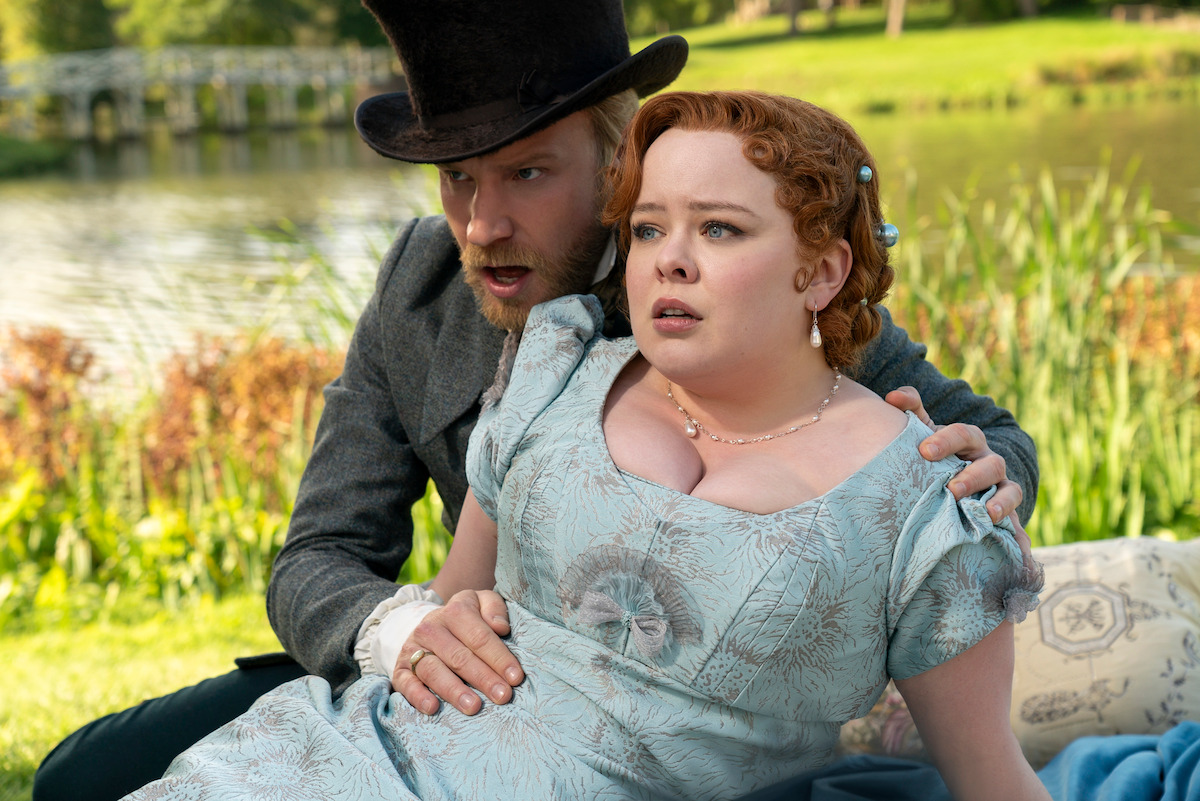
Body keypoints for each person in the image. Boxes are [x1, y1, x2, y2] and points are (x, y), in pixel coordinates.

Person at [34, 2, 1037, 799]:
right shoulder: (422, 284)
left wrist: (993, 476)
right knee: (78, 779)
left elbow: (975, 440)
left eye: (525, 172)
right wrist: (402, 633)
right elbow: (319, 556)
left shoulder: (748, 298)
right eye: (457, 179)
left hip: (650, 734)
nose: (482, 222)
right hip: (448, 670)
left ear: (614, 165)